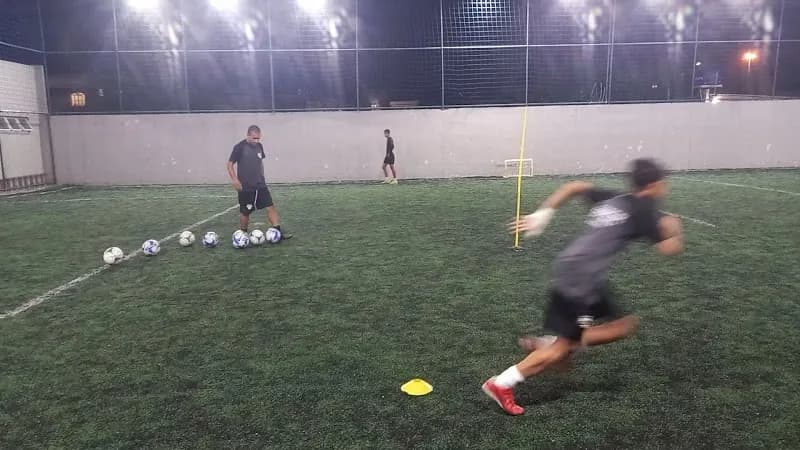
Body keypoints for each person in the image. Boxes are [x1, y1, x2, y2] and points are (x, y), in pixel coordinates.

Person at [482, 158, 684, 416]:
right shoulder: (646, 211)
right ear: (654, 185)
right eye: (664, 183)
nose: (665, 188)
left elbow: (574, 187)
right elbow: (669, 249)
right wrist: (676, 231)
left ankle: (556, 342)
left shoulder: (616, 199)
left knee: (623, 326)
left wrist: (541, 215)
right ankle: (502, 382)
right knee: (563, 348)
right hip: (582, 279)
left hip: (577, 270)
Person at [226, 125, 292, 240]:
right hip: (246, 187)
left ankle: (278, 232)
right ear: (248, 135)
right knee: (245, 212)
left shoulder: (259, 146)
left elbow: (259, 162)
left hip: (260, 185)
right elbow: (229, 164)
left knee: (270, 206)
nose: (256, 141)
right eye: (254, 138)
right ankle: (243, 235)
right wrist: (235, 180)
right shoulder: (239, 147)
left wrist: (261, 176)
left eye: (258, 138)